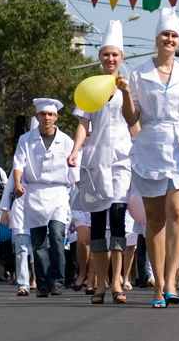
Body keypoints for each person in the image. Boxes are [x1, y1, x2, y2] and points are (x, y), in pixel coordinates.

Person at [116, 7, 179, 308]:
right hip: (150, 145)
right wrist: (123, 93)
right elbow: (132, 116)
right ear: (157, 38)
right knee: (155, 219)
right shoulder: (139, 73)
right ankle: (159, 286)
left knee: (178, 211)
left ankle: (172, 279)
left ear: (178, 40)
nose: (169, 39)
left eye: (174, 35)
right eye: (165, 34)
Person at [68, 20, 138, 305]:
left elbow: (135, 124)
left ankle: (118, 283)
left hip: (122, 161)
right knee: (97, 224)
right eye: (106, 54)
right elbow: (84, 123)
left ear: (122, 58)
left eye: (115, 54)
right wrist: (75, 149)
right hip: (95, 162)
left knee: (119, 222)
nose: (110, 58)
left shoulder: (128, 87)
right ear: (99, 57)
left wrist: (127, 93)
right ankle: (99, 285)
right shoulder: (90, 88)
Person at [13, 98, 79, 297]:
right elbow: (19, 164)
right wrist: (17, 183)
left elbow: (74, 169)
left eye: (50, 114)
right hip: (34, 193)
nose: (46, 118)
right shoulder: (26, 139)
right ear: (37, 117)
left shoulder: (66, 141)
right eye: (43, 114)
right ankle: (42, 283)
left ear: (56, 117)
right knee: (38, 242)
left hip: (58, 193)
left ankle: (57, 281)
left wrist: (81, 189)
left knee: (57, 236)